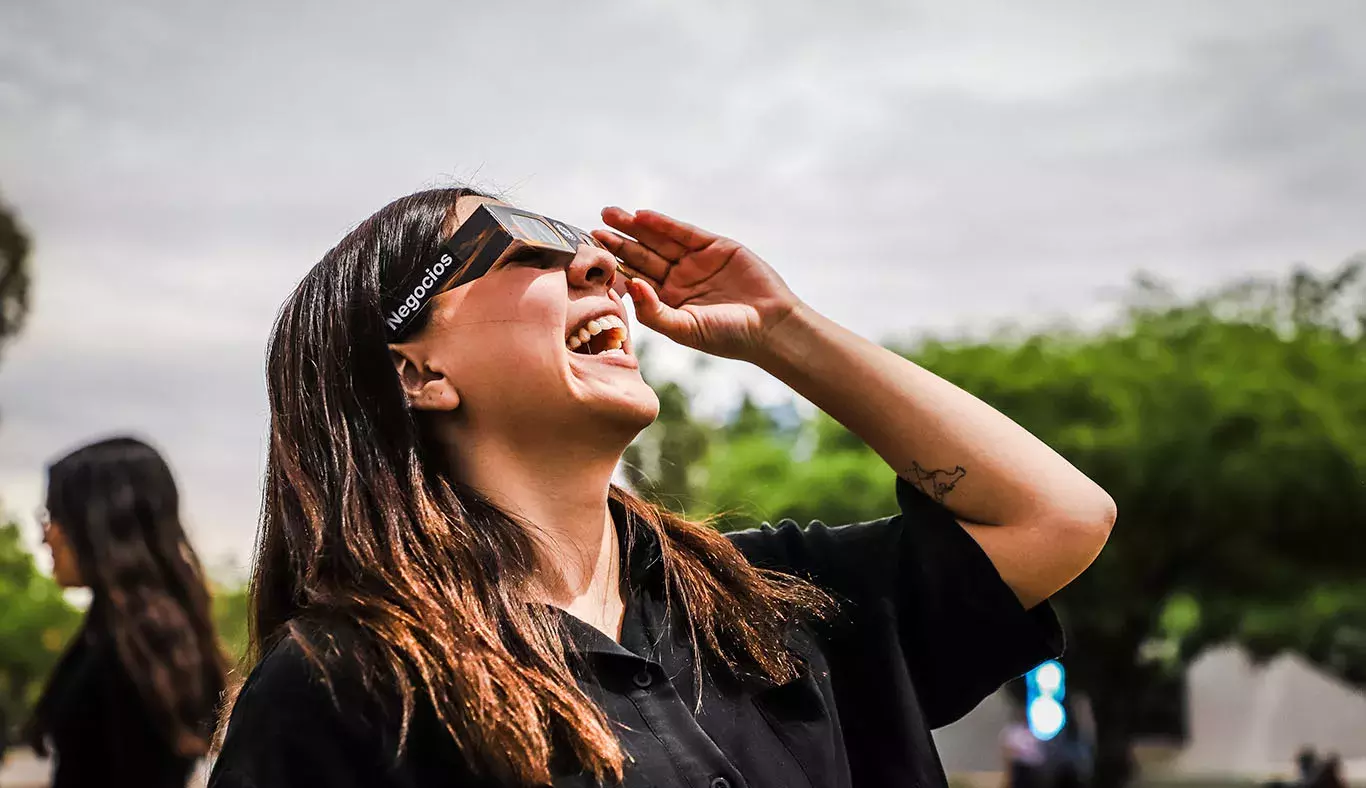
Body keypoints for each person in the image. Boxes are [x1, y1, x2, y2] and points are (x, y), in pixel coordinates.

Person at [210, 186, 1116, 788]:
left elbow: (1057, 516)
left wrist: (781, 329)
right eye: (517, 248)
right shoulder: (347, 687)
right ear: (419, 374)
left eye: (582, 244)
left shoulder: (768, 604)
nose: (598, 267)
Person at [26, 437, 227, 788]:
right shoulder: (132, 638)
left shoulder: (130, 654)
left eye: (54, 515)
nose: (46, 536)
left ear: (98, 523)